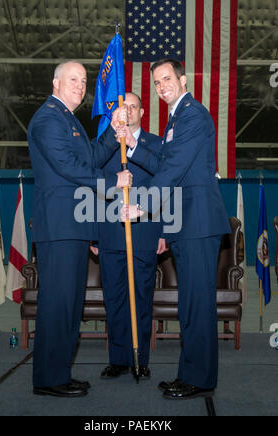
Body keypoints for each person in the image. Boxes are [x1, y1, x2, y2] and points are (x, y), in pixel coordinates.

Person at [120, 59, 231, 400]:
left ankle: (200, 379)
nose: (161, 85)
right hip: (185, 224)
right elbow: (164, 165)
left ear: (183, 79)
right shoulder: (177, 118)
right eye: (156, 82)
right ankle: (189, 373)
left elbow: (176, 168)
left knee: (197, 303)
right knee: (190, 304)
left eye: (167, 78)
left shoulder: (193, 114)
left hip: (197, 222)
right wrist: (134, 144)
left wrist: (144, 206)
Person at [27, 61, 132, 398]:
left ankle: (59, 372)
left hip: (73, 227)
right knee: (57, 305)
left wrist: (114, 134)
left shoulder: (68, 120)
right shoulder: (47, 118)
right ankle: (48, 379)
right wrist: (114, 182)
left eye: (84, 80)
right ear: (55, 83)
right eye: (73, 79)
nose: (80, 85)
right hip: (58, 227)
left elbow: (89, 157)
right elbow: (69, 168)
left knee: (70, 306)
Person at [93, 92, 165, 380]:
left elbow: (165, 188)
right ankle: (118, 359)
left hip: (145, 233)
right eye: (125, 107)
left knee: (141, 297)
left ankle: (140, 358)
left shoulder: (157, 144)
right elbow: (94, 190)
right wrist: (94, 236)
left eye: (134, 106)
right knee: (115, 297)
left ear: (142, 112)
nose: (130, 111)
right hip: (110, 233)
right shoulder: (106, 144)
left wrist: (163, 233)